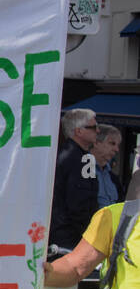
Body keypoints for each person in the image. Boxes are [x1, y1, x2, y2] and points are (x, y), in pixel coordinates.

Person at [49, 108, 99, 255]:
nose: (98, 131)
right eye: (93, 127)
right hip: (70, 236)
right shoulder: (75, 158)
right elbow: (80, 203)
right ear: (78, 131)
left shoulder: (71, 155)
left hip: (64, 232)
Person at [94, 124, 123, 208]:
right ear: (96, 143)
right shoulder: (81, 169)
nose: (116, 149)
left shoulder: (113, 178)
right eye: (112, 143)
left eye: (118, 145)